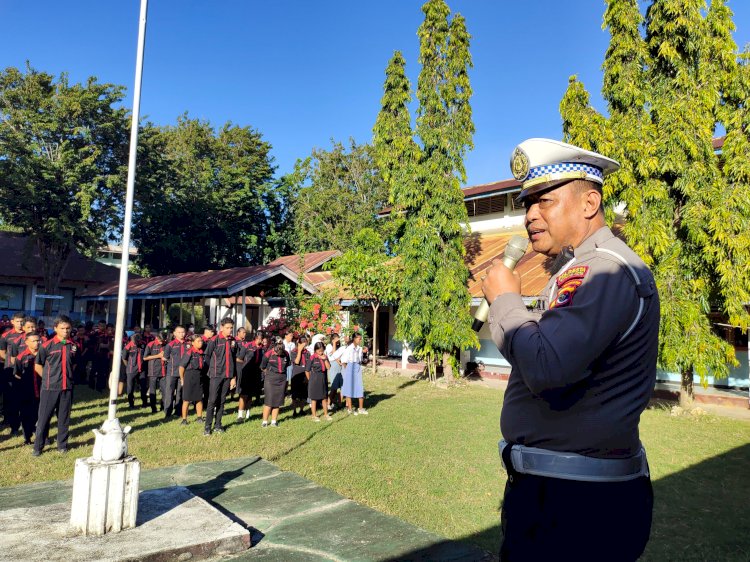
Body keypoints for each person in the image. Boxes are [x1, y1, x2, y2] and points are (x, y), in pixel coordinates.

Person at [481, 138, 658, 561]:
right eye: (527, 204)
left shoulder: (603, 270)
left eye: (545, 201)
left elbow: (547, 366)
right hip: (559, 494)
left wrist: (506, 301)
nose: (530, 216)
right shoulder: (575, 269)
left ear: (589, 202)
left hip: (578, 506)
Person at [33, 315, 78, 456]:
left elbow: (74, 364)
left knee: (64, 418)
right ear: (55, 328)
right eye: (62, 328)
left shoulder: (73, 346)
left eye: (68, 328)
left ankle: (62, 445)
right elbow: (37, 366)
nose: (65, 331)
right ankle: (38, 447)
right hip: (49, 388)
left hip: (67, 388)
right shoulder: (46, 346)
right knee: (44, 419)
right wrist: (49, 379)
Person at [203, 317, 237, 435]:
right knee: (212, 400)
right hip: (216, 375)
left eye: (231, 328)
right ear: (221, 328)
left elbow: (234, 359)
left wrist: (233, 377)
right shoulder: (214, 340)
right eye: (227, 328)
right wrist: (211, 371)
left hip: (227, 375)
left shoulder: (232, 341)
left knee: (222, 401)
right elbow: (207, 357)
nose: (229, 330)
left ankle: (218, 424)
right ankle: (207, 427)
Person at [13, 332, 41, 445]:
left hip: (42, 389)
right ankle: (27, 438)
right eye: (33, 341)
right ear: (27, 342)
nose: (36, 343)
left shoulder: (44, 354)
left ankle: (42, 435)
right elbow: (17, 374)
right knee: (26, 414)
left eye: (38, 340)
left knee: (40, 414)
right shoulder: (21, 357)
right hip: (26, 391)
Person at [0, 312, 25, 432]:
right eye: (18, 321)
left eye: (22, 321)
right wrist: (12, 362)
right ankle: (7, 419)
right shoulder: (5, 336)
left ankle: (21, 420)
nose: (20, 324)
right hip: (9, 369)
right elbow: (2, 353)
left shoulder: (29, 335)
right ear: (12, 321)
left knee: (22, 395)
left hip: (25, 370)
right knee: (8, 395)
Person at [260, 340, 289, 427]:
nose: (278, 355)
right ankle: (264, 421)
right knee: (269, 400)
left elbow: (287, 364)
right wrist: (269, 373)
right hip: (270, 378)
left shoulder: (286, 354)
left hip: (282, 378)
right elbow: (262, 366)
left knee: (278, 401)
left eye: (280, 353)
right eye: (277, 353)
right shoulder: (268, 354)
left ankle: (274, 421)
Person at [178, 335, 205, 425]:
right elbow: (181, 367)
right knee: (186, 399)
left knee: (199, 398)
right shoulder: (189, 352)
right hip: (189, 376)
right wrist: (182, 379)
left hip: (199, 376)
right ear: (193, 343)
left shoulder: (201, 352)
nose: (200, 342)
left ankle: (199, 417)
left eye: (201, 341)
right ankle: (184, 419)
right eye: (198, 341)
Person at [163, 325, 188, 418]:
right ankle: (167, 412)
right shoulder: (170, 345)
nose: (182, 334)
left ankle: (178, 411)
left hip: (183, 373)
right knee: (169, 392)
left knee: (180, 392)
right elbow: (165, 358)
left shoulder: (188, 344)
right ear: (174, 333)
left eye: (183, 332)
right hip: (172, 372)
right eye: (179, 332)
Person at [341, 332, 367, 415]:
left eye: (360, 338)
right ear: (354, 339)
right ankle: (350, 408)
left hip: (357, 368)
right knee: (349, 388)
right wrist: (348, 370)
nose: (360, 340)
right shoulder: (349, 348)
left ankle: (361, 408)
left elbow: (360, 360)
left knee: (360, 387)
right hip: (349, 368)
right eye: (359, 338)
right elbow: (343, 361)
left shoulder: (359, 349)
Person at [306, 342, 331, 421]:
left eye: (322, 350)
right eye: (319, 351)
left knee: (324, 397)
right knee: (314, 398)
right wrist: (310, 380)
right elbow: (307, 370)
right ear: (315, 350)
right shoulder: (312, 357)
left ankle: (326, 414)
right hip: (314, 379)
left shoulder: (325, 356)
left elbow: (328, 367)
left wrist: (325, 359)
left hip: (323, 378)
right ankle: (314, 415)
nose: (321, 352)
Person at [121, 333, 147, 409]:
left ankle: (144, 403)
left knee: (143, 386)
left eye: (138, 341)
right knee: (130, 387)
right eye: (135, 341)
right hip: (131, 370)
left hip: (142, 369)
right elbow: (124, 358)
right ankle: (131, 404)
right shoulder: (128, 346)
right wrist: (128, 366)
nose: (136, 343)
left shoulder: (143, 345)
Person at [143, 331, 167, 413]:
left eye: (163, 341)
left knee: (164, 390)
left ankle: (163, 407)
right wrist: (158, 356)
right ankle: (153, 408)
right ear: (157, 338)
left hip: (164, 370)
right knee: (152, 390)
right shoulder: (150, 344)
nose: (162, 342)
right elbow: (145, 358)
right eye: (161, 341)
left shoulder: (166, 344)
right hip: (153, 370)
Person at [291, 336, 310, 417]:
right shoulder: (293, 351)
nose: (304, 344)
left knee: (303, 393)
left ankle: (302, 410)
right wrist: (299, 350)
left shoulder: (307, 352)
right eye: (302, 342)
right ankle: (294, 411)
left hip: (304, 373)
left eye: (305, 342)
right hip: (296, 373)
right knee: (295, 394)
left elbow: (309, 364)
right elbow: (297, 361)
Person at [325, 333, 344, 410]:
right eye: (336, 339)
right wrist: (334, 343)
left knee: (342, 386)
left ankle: (339, 403)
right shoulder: (329, 346)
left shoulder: (340, 346)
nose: (338, 341)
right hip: (333, 365)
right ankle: (329, 403)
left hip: (340, 366)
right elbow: (334, 354)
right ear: (332, 339)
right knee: (334, 386)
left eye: (338, 339)